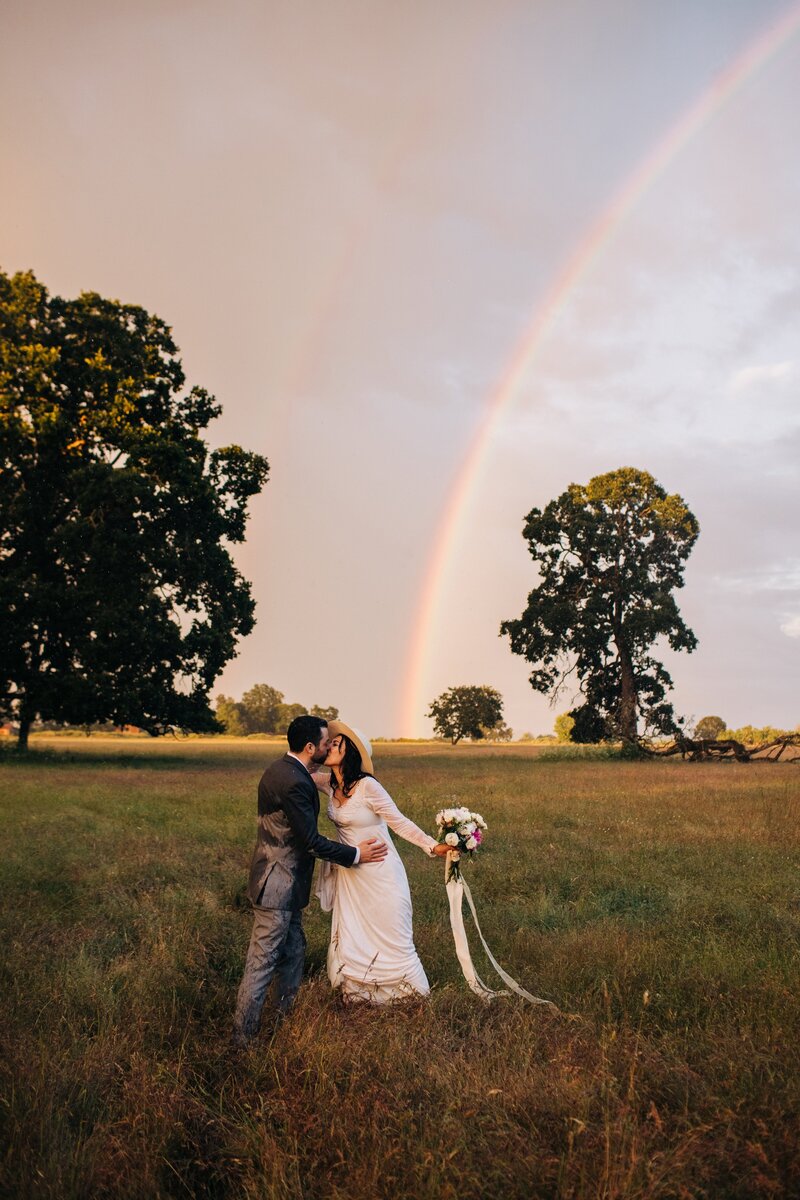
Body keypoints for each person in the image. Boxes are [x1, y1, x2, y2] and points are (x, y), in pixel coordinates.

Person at [233, 714, 388, 1045]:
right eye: (323, 743)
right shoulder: (295, 782)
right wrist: (356, 854)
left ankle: (283, 1022)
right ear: (308, 747)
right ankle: (242, 1040)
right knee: (262, 963)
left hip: (280, 884)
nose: (327, 746)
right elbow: (311, 842)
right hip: (278, 886)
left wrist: (339, 772)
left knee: (295, 951)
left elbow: (316, 777)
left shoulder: (282, 768)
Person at [313, 720, 450, 1003]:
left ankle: (414, 995)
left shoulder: (368, 787)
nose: (329, 747)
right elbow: (299, 770)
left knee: (392, 932)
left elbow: (399, 822)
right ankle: (359, 995)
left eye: (336, 744)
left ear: (350, 753)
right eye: (329, 743)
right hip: (351, 872)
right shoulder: (329, 784)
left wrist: (432, 845)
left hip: (380, 870)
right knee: (355, 933)